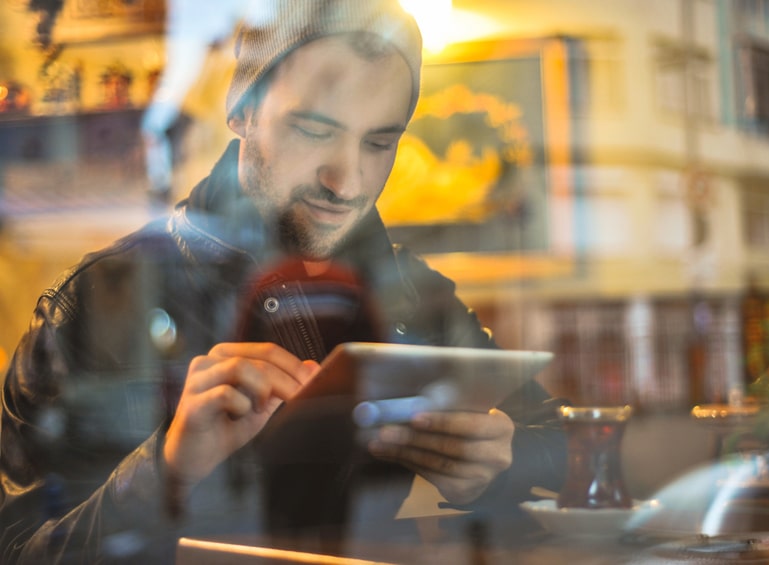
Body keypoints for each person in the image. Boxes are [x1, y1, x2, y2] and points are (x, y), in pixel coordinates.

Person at [0, 1, 567, 563]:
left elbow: (561, 442)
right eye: (314, 129)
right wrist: (166, 471)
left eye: (378, 143)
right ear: (241, 110)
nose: (346, 182)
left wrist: (500, 464)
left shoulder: (414, 291)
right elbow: (16, 548)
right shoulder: (98, 300)